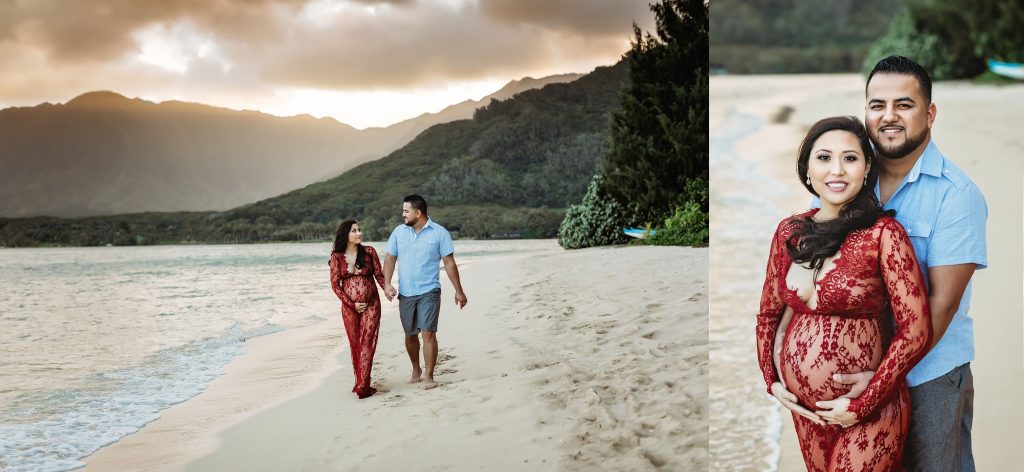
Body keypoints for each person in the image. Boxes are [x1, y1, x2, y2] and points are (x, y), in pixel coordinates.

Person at [800, 56, 987, 471]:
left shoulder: (957, 195)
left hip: (928, 378)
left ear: (930, 113)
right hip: (849, 381)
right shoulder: (841, 179)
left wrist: (880, 379)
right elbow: (811, 278)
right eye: (876, 105)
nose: (888, 116)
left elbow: (942, 305)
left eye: (904, 105)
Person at [756, 116, 932, 471]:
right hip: (809, 414)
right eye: (824, 158)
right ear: (806, 167)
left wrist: (862, 404)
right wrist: (771, 381)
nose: (837, 170)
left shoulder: (884, 234)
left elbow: (916, 331)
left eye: (850, 158)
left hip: (870, 412)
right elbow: (768, 314)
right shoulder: (789, 232)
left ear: (867, 167)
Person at [382, 195, 468, 389]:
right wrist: (387, 284)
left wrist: (459, 291)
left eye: (406, 211)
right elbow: (389, 259)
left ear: (418, 212)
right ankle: (416, 368)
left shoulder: (440, 233)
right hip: (406, 293)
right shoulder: (399, 232)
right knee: (410, 335)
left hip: (430, 290)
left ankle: (429, 375)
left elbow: (449, 263)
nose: (403, 214)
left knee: (428, 332)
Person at [329, 219, 390, 399]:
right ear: (345, 235)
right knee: (355, 343)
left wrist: (387, 288)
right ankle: (361, 381)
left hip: (372, 303)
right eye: (354, 231)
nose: (359, 233)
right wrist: (352, 304)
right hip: (350, 308)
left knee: (367, 342)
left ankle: (363, 386)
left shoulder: (369, 252)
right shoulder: (336, 257)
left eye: (359, 229)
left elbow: (379, 274)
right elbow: (335, 285)